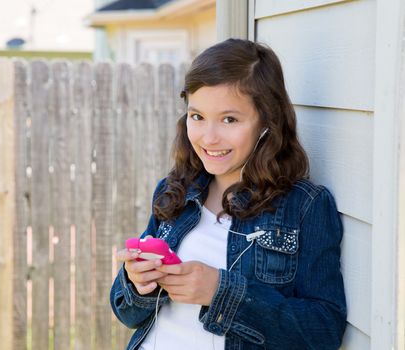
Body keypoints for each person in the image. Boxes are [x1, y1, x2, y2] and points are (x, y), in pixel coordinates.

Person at [110, 38, 347, 350]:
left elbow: (323, 330)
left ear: (267, 121)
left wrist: (221, 292)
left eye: (229, 119)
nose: (209, 137)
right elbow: (127, 314)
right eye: (197, 116)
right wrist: (139, 284)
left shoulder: (304, 207)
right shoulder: (175, 191)